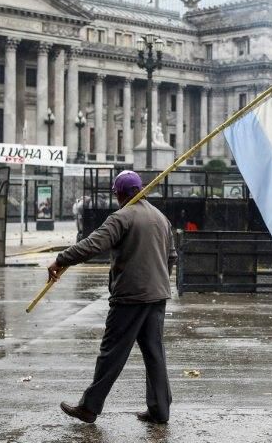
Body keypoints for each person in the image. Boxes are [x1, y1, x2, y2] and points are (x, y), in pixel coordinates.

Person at [48, 170, 176, 425]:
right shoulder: (161, 218)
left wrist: (61, 260)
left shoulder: (122, 217)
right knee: (154, 353)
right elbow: (172, 256)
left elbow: (92, 244)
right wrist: (157, 281)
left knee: (112, 353)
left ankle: (89, 407)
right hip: (156, 296)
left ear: (118, 193)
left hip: (130, 297)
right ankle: (160, 410)